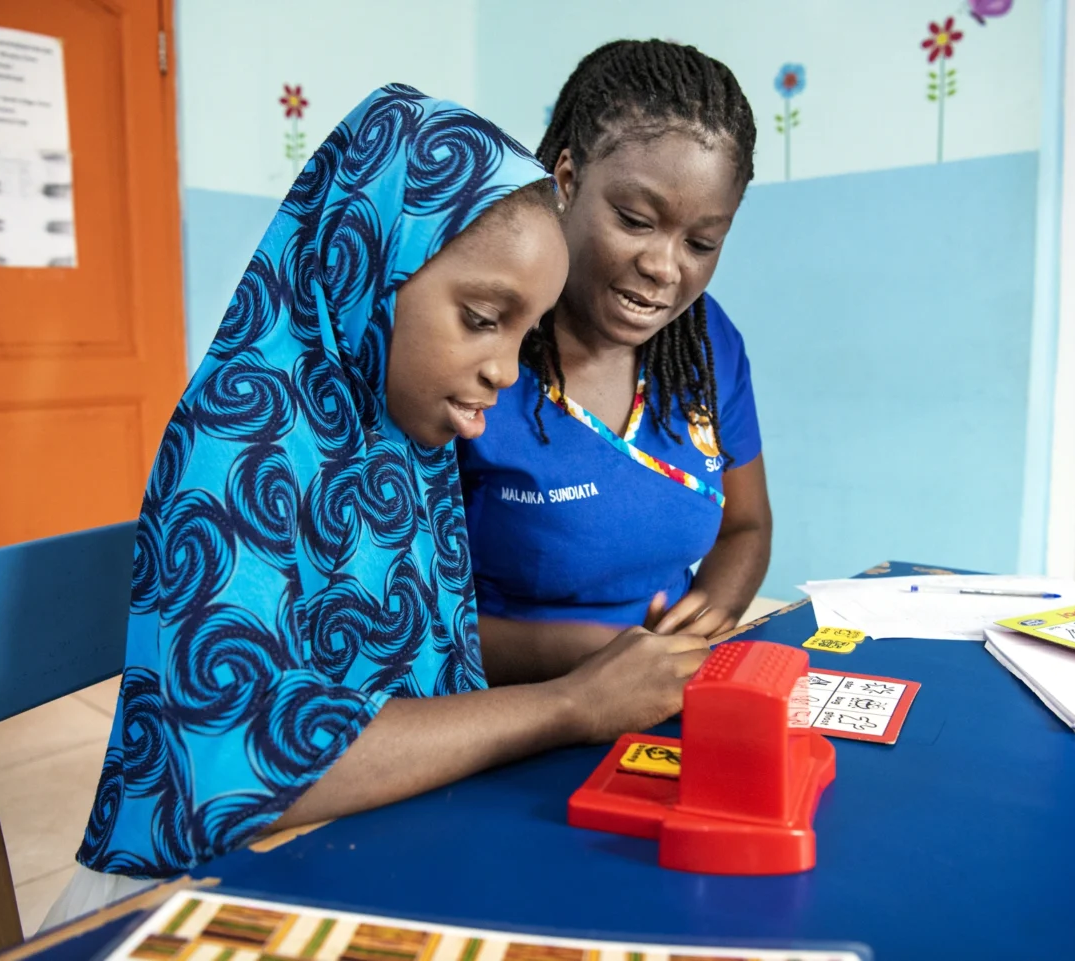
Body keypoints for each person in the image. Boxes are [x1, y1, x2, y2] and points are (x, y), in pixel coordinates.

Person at [42, 86, 710, 929]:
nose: (505, 371)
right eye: (480, 318)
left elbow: (406, 659)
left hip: (366, 852)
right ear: (367, 262)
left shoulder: (394, 433)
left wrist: (590, 652)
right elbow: (243, 767)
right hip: (194, 900)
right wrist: (570, 702)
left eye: (524, 332)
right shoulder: (242, 434)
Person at [458, 41, 772, 685]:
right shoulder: (479, 348)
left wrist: (705, 620)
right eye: (634, 220)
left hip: (658, 694)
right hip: (500, 711)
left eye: (701, 241)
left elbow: (745, 524)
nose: (664, 266)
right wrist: (593, 662)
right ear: (568, 180)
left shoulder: (708, 346)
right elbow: (408, 619)